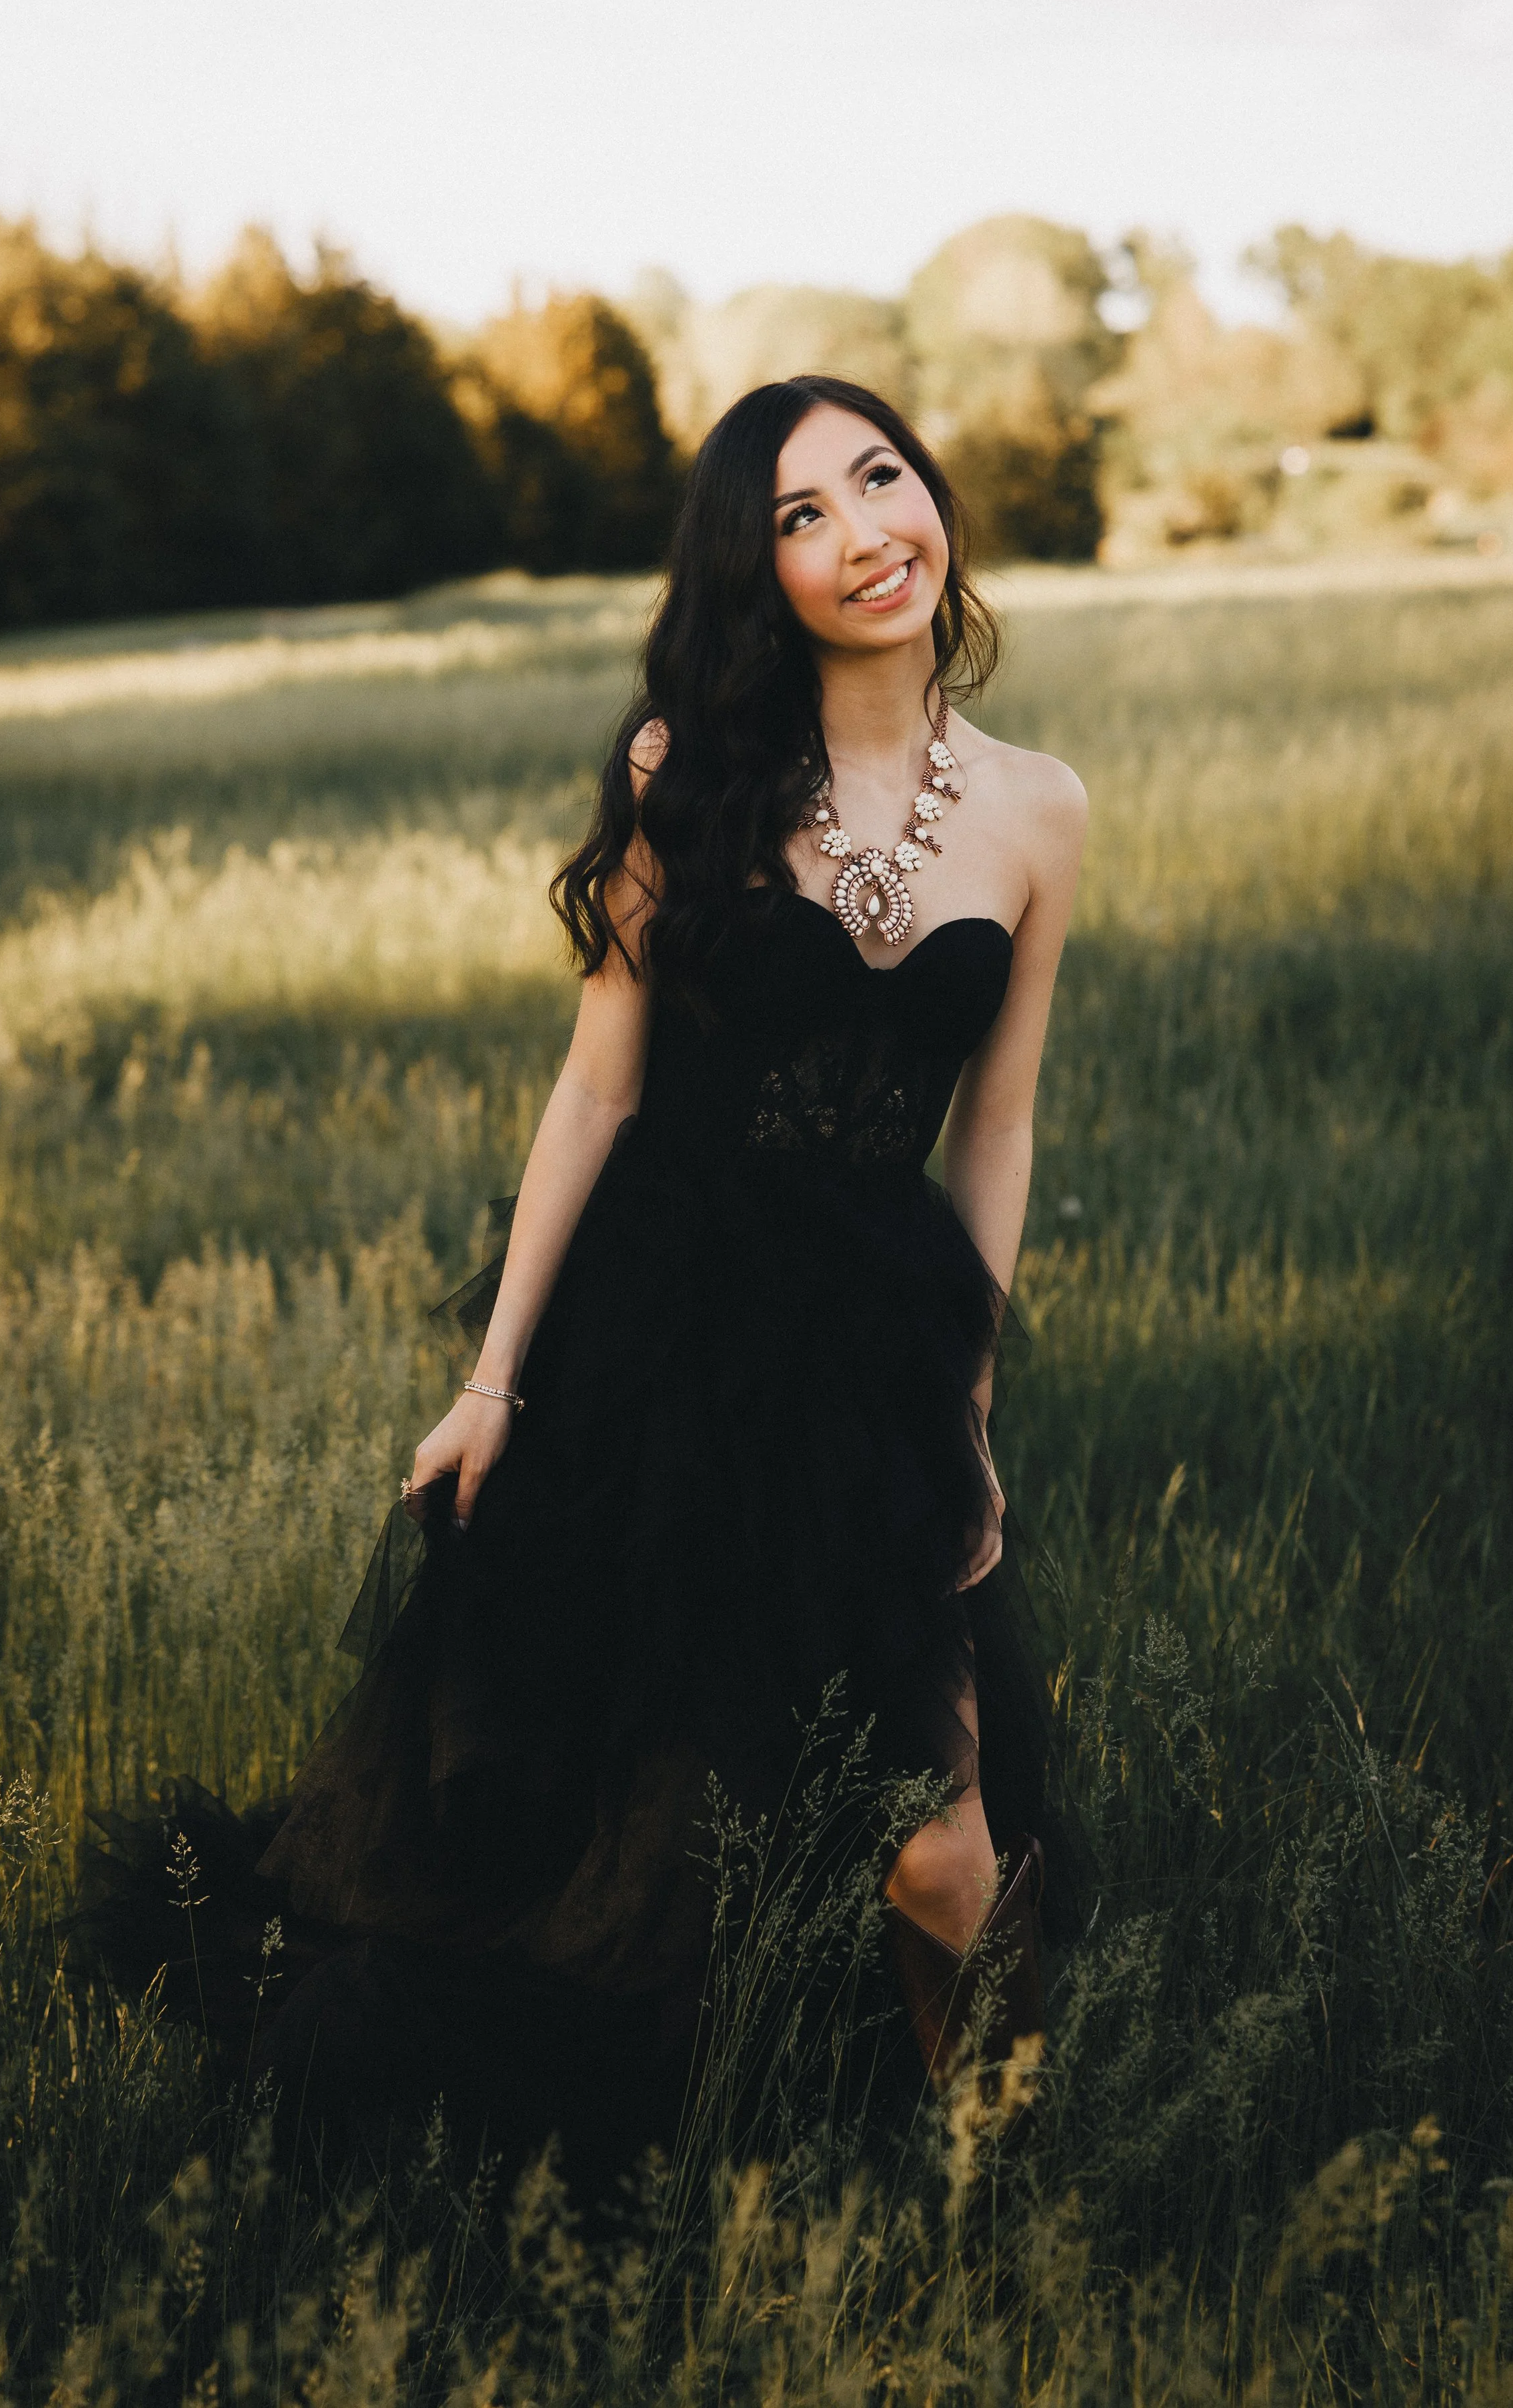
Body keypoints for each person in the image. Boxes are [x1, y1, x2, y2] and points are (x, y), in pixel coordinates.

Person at [230, 376, 1090, 2168]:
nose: (862, 534)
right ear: (752, 571)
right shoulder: (680, 775)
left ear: (931, 493)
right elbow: (598, 1085)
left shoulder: (1036, 809)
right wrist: (493, 1385)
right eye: (798, 515)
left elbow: (991, 1129)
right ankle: (629, 2145)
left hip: (867, 1349)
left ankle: (989, 2191)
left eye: (878, 478)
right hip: (663, 1335)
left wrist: (966, 1410)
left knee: (944, 1832)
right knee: (636, 1804)